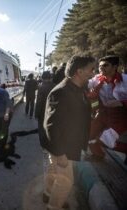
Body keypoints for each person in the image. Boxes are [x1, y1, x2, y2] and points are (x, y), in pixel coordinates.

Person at [43, 55, 95, 210]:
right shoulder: (61, 91)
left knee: (54, 170)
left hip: (67, 143)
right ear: (79, 71)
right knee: (66, 181)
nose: (94, 73)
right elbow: (51, 125)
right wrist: (60, 154)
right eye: (91, 69)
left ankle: (47, 193)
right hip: (61, 147)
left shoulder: (79, 88)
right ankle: (53, 206)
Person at [87, 55, 127, 159]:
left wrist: (122, 102)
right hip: (103, 113)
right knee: (88, 134)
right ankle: (98, 155)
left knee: (106, 140)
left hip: (122, 115)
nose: (101, 68)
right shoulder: (97, 79)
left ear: (115, 67)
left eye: (105, 65)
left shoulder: (125, 80)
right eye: (100, 66)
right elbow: (85, 83)